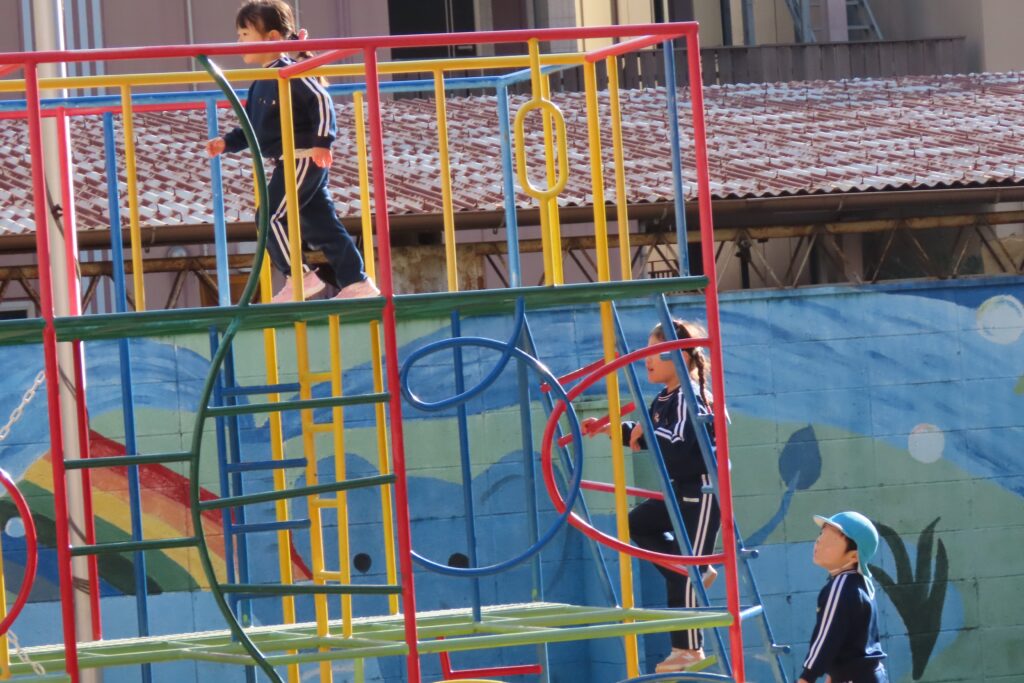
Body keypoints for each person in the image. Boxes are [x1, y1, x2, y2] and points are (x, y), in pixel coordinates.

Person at [206, 0, 378, 303]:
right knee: (322, 226)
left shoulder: (290, 72)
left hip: (301, 157)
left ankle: (299, 277)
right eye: (238, 35)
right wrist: (228, 143)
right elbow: (253, 127)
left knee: (269, 217)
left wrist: (323, 141)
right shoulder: (262, 81)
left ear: (272, 38)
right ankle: (357, 281)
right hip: (288, 160)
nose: (239, 41)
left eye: (245, 35)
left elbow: (321, 101)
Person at [584, 319, 721, 673]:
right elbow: (649, 436)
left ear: (680, 356)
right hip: (679, 487)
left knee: (686, 566)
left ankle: (688, 649)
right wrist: (613, 429)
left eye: (655, 352)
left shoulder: (690, 396)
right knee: (638, 525)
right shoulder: (664, 398)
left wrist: (644, 432)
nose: (647, 359)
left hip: (703, 489)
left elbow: (675, 442)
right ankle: (689, 571)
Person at [799, 512, 889, 683]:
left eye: (830, 541)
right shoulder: (859, 583)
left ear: (854, 556)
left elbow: (827, 637)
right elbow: (850, 639)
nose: (819, 542)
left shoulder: (841, 586)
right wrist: (833, 674)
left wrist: (807, 677)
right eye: (821, 535)